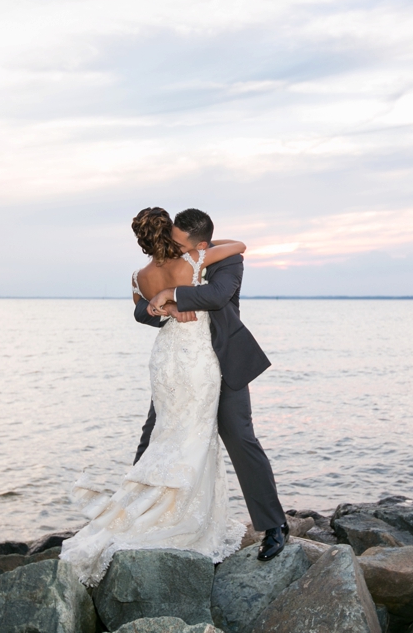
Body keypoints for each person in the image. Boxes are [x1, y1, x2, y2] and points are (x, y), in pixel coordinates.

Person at [59, 207, 253, 587]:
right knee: (194, 437)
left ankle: (142, 504)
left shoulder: (138, 276)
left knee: (168, 433)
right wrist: (179, 287)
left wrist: (163, 302)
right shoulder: (193, 258)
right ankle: (180, 518)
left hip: (164, 361)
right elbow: (240, 245)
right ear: (171, 234)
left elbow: (141, 311)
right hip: (196, 359)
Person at [135, 208, 288, 562]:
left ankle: (273, 525)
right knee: (154, 434)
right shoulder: (171, 258)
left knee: (239, 436)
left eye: (175, 242)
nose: (169, 248)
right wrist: (163, 308)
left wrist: (171, 294)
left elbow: (218, 296)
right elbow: (140, 308)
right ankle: (135, 514)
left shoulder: (227, 260)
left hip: (223, 360)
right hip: (183, 368)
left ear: (200, 243)